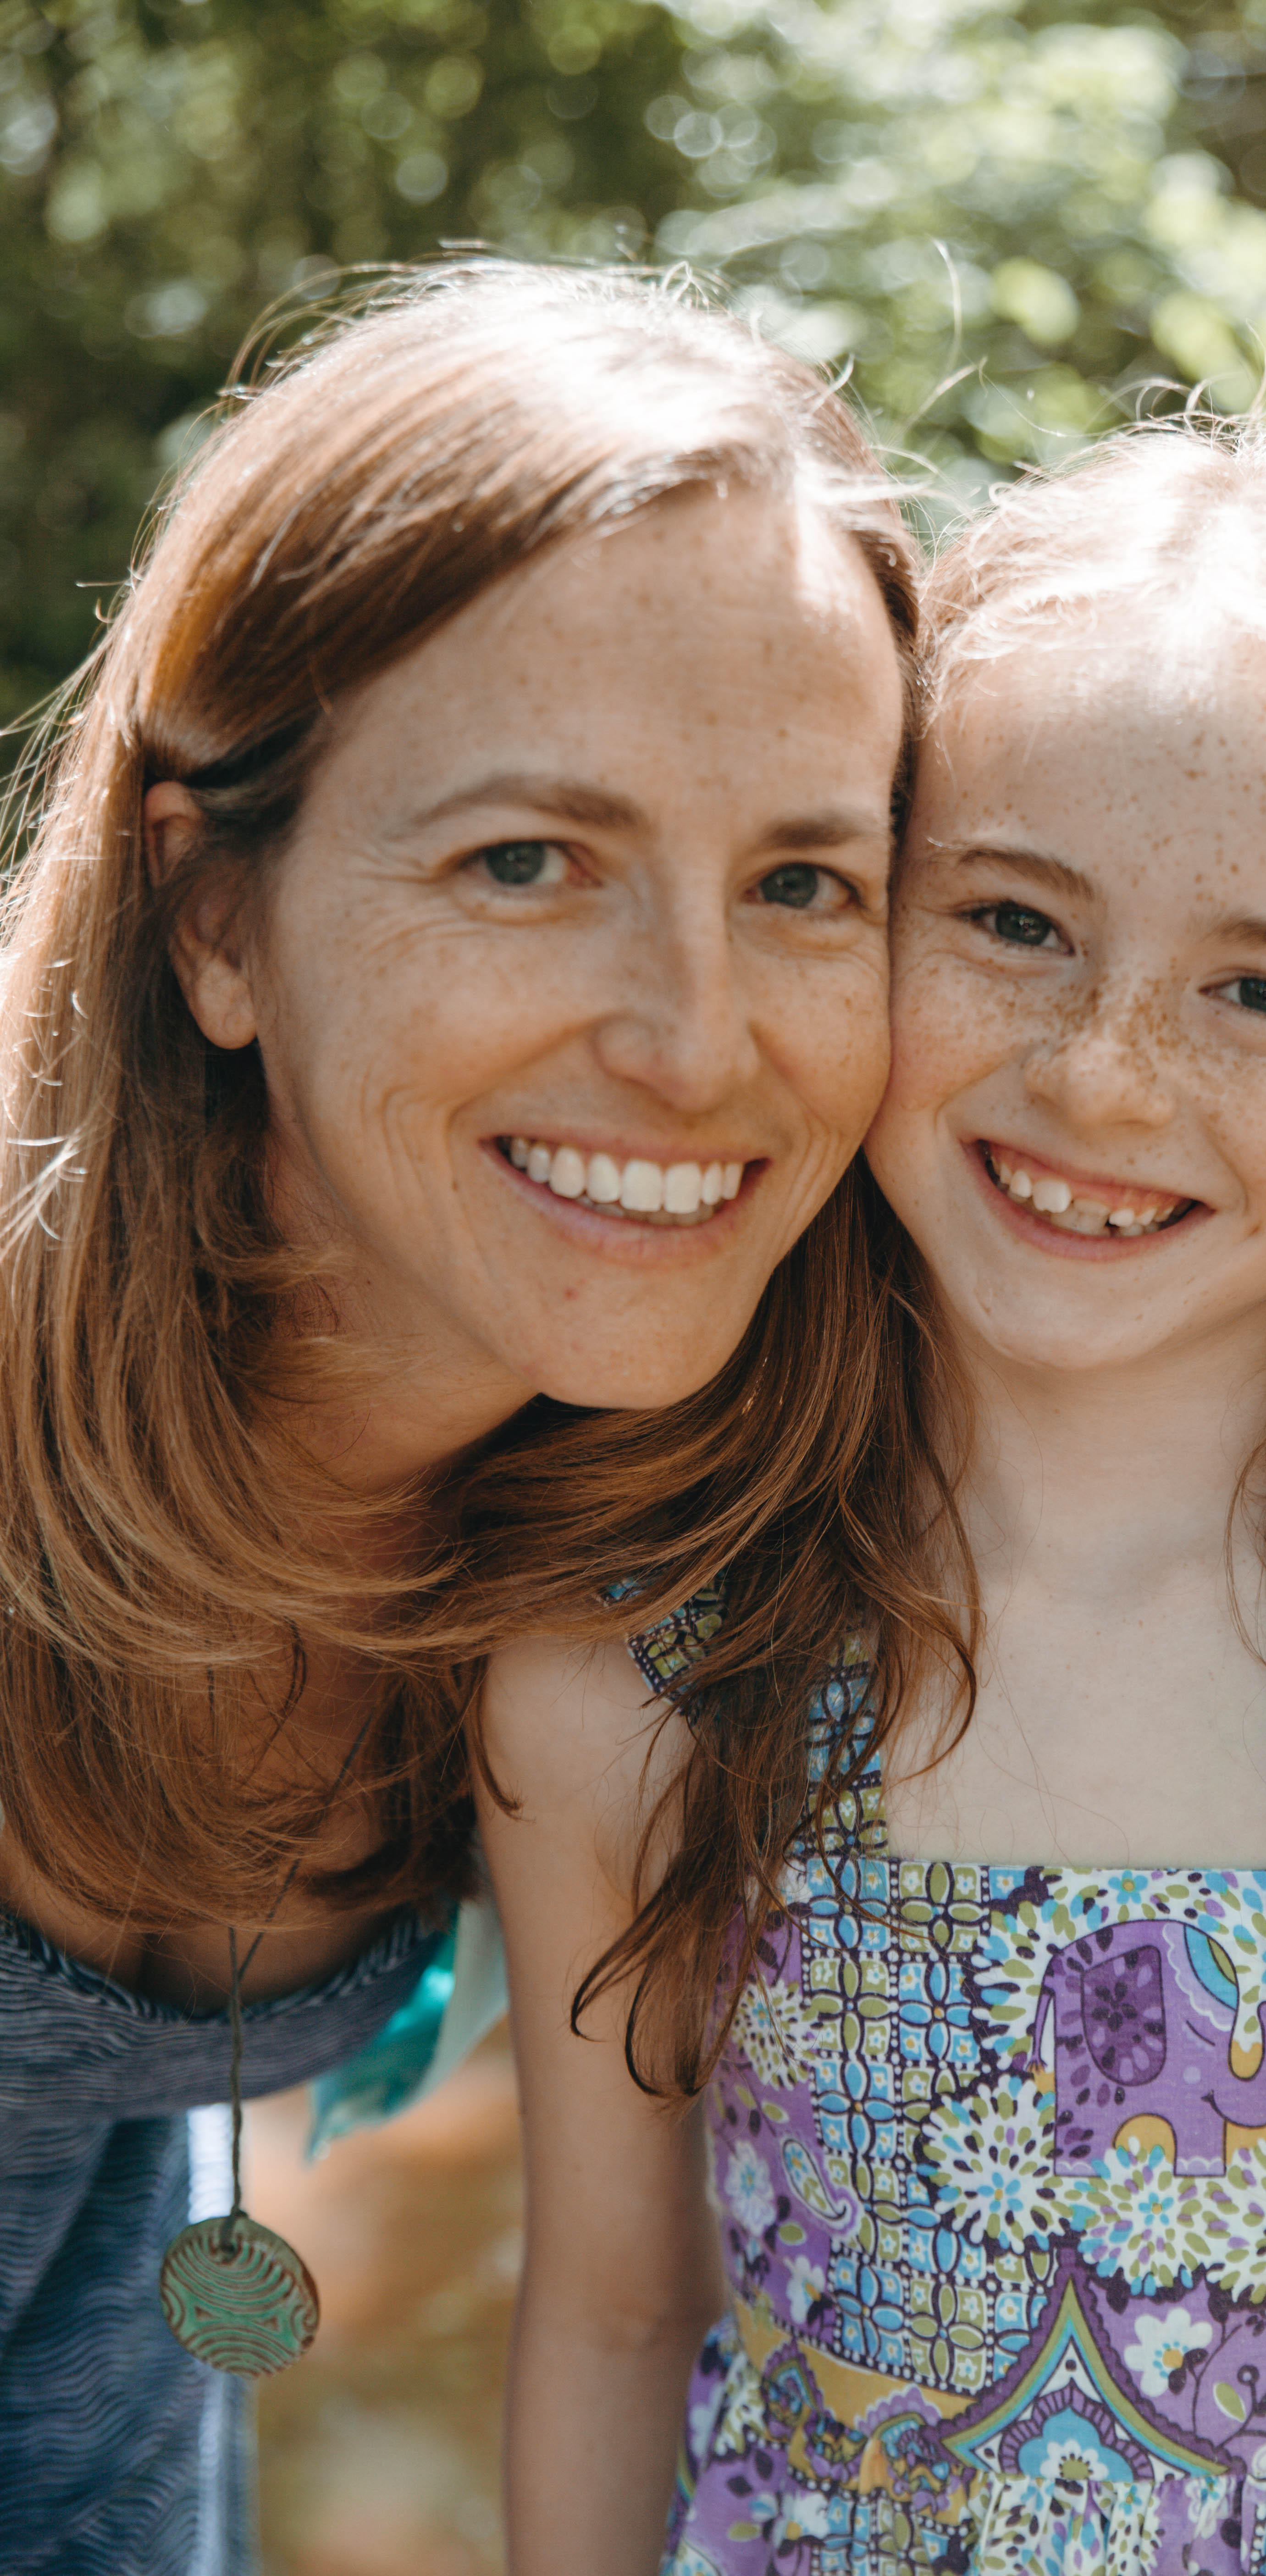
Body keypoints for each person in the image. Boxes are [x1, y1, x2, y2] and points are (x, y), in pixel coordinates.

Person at [482, 427, 1266, 2571]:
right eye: (1015, 922)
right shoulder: (633, 1685)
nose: (1106, 1074)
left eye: (1265, 990)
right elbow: (612, 2318)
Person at [0, 260, 921, 2572]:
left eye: (805, 882)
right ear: (213, 915)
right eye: (529, 862)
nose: (697, 1040)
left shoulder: (684, 1518)